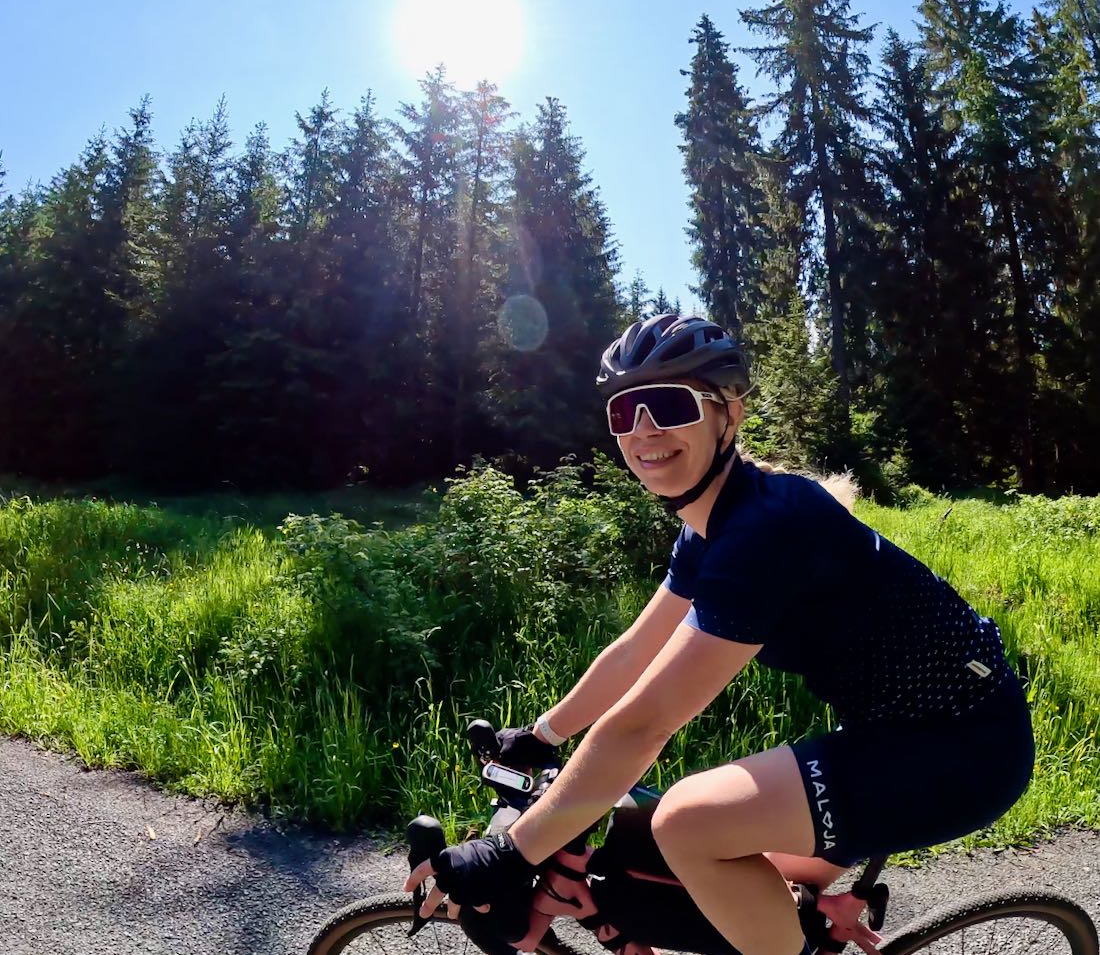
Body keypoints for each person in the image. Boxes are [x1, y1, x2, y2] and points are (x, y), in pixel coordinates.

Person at [407, 314, 1035, 955]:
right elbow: (636, 650)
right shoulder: (711, 526)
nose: (642, 430)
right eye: (624, 413)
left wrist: (511, 851)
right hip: (888, 733)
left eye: (667, 405)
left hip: (961, 749)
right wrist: (541, 736)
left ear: (727, 415)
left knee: (687, 823)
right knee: (686, 864)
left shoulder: (766, 531)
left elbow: (642, 726)